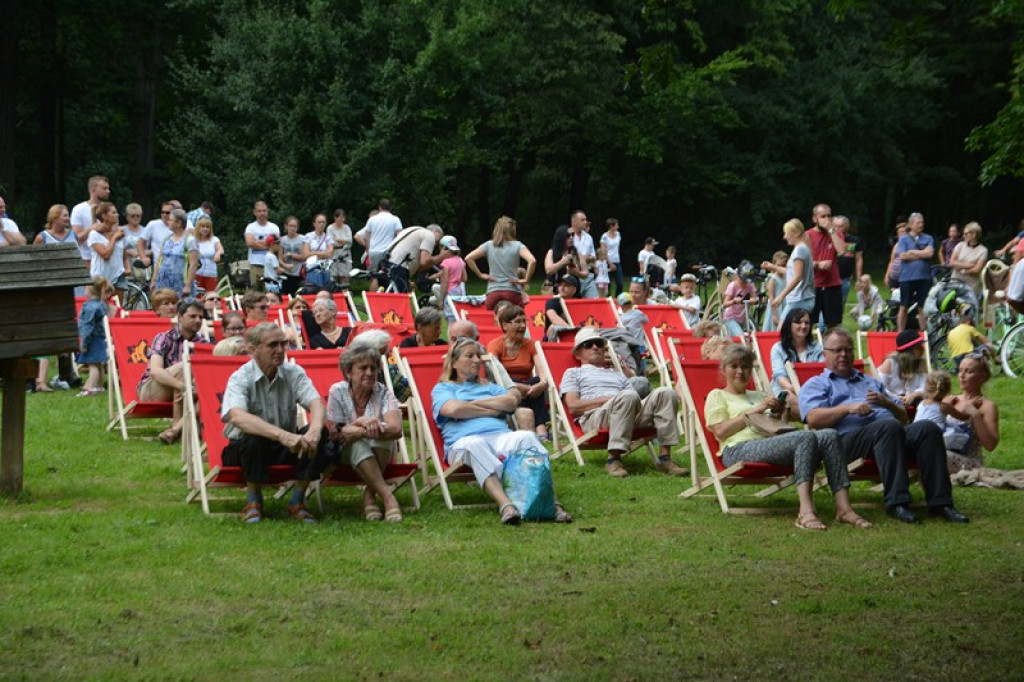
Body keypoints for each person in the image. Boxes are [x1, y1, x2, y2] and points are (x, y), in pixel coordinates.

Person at [800, 327, 968, 524]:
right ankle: (897, 502)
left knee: (927, 428)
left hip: (890, 436)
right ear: (824, 354)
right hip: (846, 443)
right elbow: (813, 418)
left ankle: (941, 503)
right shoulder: (817, 384)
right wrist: (847, 408)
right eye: (837, 350)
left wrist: (886, 402)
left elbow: (904, 418)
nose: (844, 355)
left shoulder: (869, 380)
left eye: (848, 350)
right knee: (887, 427)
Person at [705, 345, 870, 530]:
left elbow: (773, 426)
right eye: (733, 366)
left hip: (770, 443)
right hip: (739, 449)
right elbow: (720, 431)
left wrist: (778, 412)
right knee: (804, 438)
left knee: (830, 435)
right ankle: (805, 512)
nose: (740, 372)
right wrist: (754, 411)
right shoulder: (717, 395)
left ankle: (844, 509)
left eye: (745, 367)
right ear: (723, 369)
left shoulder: (759, 395)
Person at [431, 337, 572, 524]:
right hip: (462, 442)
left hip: (500, 437)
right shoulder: (443, 388)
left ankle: (551, 503)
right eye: (470, 356)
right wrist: (492, 409)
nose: (477, 360)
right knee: (475, 444)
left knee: (527, 437)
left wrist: (470, 405)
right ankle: (506, 505)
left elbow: (511, 401)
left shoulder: (489, 387)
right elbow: (453, 409)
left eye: (478, 356)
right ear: (454, 362)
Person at [221, 323, 334, 523]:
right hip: (243, 451)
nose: (281, 350)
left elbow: (316, 403)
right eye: (273, 345)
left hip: (284, 447)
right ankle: (253, 501)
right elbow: (237, 417)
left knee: (320, 434)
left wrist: (314, 431)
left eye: (284, 343)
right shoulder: (240, 378)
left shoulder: (293, 372)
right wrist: (283, 435)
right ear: (253, 349)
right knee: (252, 438)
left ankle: (297, 500)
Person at [561, 327, 686, 478]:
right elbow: (573, 406)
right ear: (577, 353)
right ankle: (613, 459)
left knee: (666, 393)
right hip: (595, 417)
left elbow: (635, 398)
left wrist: (624, 370)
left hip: (626, 408)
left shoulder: (616, 374)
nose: (595, 347)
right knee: (626, 396)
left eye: (599, 344)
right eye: (588, 344)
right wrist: (610, 400)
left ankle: (665, 459)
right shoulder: (573, 373)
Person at [326, 343, 406, 522]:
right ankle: (388, 497)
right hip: (345, 453)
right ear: (349, 372)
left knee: (380, 436)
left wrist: (360, 431)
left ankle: (370, 496)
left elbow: (396, 429)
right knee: (360, 443)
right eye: (363, 368)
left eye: (373, 368)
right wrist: (361, 424)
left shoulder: (384, 393)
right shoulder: (337, 391)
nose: (370, 373)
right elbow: (334, 432)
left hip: (380, 449)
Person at [136, 300, 211, 445]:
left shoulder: (202, 344)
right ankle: (181, 427)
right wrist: (183, 386)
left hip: (185, 391)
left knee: (205, 392)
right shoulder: (164, 338)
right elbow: (155, 371)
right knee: (185, 365)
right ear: (180, 317)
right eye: (193, 316)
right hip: (151, 391)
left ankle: (175, 430)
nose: (198, 320)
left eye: (201, 317)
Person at [942, 355, 1022, 488]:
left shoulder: (987, 406)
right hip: (944, 449)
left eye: (968, 371)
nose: (961, 375)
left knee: (937, 453)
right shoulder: (950, 400)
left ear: (982, 376)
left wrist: (975, 414)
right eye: (960, 370)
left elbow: (991, 445)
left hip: (969, 461)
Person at [486, 304, 550, 440]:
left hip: (530, 389)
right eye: (517, 322)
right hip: (507, 387)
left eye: (524, 321)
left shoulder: (530, 344)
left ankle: (539, 427)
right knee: (520, 384)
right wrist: (524, 388)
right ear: (504, 325)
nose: (522, 326)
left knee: (537, 381)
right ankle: (541, 429)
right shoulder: (495, 345)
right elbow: (496, 374)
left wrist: (543, 383)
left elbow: (541, 367)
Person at [464, 215, 536, 310]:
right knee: (516, 317)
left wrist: (480, 275)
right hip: (512, 291)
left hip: (493, 292)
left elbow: (468, 258)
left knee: (491, 321)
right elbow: (532, 261)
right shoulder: (518, 246)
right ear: (512, 229)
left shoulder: (488, 245)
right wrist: (525, 280)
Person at [763, 218, 813, 321]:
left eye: (786, 233)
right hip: (801, 298)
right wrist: (773, 267)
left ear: (794, 233)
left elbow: (798, 276)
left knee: (782, 332)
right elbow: (792, 272)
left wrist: (781, 296)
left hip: (799, 298)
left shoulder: (800, 250)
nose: (784, 237)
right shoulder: (801, 249)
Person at [769, 307, 823, 401]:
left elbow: (822, 373)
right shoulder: (778, 349)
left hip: (813, 392)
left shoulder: (817, 348)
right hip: (787, 392)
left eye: (807, 323)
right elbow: (779, 375)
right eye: (798, 322)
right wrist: (796, 391)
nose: (803, 326)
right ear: (789, 325)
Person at [807, 203, 845, 328]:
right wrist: (818, 264)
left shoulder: (836, 233)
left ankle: (830, 347)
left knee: (833, 324)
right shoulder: (807, 236)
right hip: (813, 285)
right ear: (815, 219)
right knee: (808, 322)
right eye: (823, 216)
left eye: (829, 216)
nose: (827, 219)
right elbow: (802, 262)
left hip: (832, 284)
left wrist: (831, 231)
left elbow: (841, 251)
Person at [76, 277, 115, 397]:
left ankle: (90, 388)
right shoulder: (101, 305)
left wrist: (84, 344)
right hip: (100, 339)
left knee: (92, 365)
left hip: (92, 339)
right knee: (98, 364)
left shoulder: (90, 307)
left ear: (89, 290)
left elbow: (87, 327)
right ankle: (99, 386)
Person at [896, 212, 934, 332]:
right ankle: (900, 333)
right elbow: (902, 256)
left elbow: (930, 253)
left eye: (922, 222)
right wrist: (922, 254)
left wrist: (912, 252)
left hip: (924, 278)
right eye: (918, 222)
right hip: (907, 278)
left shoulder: (928, 238)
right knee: (904, 307)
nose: (921, 225)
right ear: (911, 224)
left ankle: (924, 333)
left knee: (922, 307)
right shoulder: (903, 239)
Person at [384, 224, 447, 294]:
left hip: (388, 264)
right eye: (437, 241)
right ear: (435, 231)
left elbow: (421, 266)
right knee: (397, 302)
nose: (435, 244)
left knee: (386, 297)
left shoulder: (413, 230)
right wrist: (441, 257)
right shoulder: (429, 235)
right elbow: (424, 261)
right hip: (399, 268)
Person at [152, 208, 199, 298]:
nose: (168, 222)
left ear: (179, 223)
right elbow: (159, 261)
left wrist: (188, 286)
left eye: (170, 220)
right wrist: (154, 280)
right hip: (163, 286)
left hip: (181, 286)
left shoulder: (190, 241)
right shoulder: (167, 239)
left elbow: (193, 265)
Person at [876, 329, 928, 406]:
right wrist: (895, 397)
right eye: (918, 347)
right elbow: (878, 387)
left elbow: (925, 386)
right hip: (890, 400)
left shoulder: (921, 361)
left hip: (914, 399)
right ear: (908, 351)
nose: (922, 349)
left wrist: (913, 395)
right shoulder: (890, 363)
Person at [70, 175, 110, 270]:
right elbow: (76, 240)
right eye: (104, 188)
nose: (108, 191)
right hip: (87, 260)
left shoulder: (109, 209)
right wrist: (91, 229)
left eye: (108, 188)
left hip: (106, 258)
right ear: (93, 190)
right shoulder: (79, 209)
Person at [356, 198, 403, 278]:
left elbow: (367, 236)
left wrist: (368, 248)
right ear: (390, 208)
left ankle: (373, 290)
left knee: (374, 276)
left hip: (373, 251)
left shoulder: (372, 219)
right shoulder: (395, 219)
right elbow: (399, 236)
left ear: (379, 207)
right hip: (388, 252)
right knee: (388, 275)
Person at [86, 202, 127, 286]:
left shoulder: (120, 232)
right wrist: (114, 237)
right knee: (101, 300)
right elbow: (106, 255)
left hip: (118, 277)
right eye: (114, 212)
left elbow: (123, 254)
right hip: (100, 278)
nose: (118, 215)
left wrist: (127, 269)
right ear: (104, 216)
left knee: (117, 300)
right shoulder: (95, 234)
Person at [948, 221, 987, 305]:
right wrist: (969, 265)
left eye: (966, 234)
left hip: (972, 286)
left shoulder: (983, 250)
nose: (963, 236)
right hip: (955, 282)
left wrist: (962, 269)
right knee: (953, 308)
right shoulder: (960, 245)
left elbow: (977, 269)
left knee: (969, 310)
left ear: (974, 234)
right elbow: (952, 262)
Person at [243, 200, 281, 286]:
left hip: (271, 264)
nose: (262, 213)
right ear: (254, 212)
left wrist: (256, 242)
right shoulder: (250, 227)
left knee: (271, 290)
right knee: (257, 291)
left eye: (264, 211)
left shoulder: (274, 227)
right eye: (259, 211)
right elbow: (249, 243)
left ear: (267, 212)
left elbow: (276, 244)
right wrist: (267, 244)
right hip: (255, 264)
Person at [274, 216, 309, 296]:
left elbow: (304, 256)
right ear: (286, 226)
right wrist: (284, 265)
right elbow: (280, 258)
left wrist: (291, 255)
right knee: (287, 295)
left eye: (294, 226)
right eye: (290, 226)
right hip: (287, 273)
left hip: (299, 272)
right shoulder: (283, 240)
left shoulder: (303, 239)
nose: (292, 228)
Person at [138, 201, 176, 274]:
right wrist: (144, 258)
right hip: (158, 269)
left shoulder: (179, 226)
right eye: (162, 212)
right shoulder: (153, 224)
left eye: (167, 212)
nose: (164, 214)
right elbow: (140, 243)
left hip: (176, 269)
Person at [435, 235, 467, 319]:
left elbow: (445, 283)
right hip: (458, 290)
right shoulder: (460, 260)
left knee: (450, 318)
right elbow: (464, 278)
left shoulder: (446, 262)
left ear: (444, 248)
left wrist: (441, 300)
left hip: (450, 291)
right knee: (458, 315)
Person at [833, 215, 862, 305]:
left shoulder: (854, 240)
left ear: (847, 226)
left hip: (845, 279)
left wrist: (858, 279)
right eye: (835, 226)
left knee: (840, 306)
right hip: (829, 278)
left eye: (840, 226)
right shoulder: (828, 239)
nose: (837, 228)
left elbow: (859, 259)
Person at [568, 210, 598, 298]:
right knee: (573, 305)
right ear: (574, 221)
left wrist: (584, 259)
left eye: (586, 219)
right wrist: (583, 258)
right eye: (582, 220)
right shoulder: (566, 236)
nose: (585, 222)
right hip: (573, 276)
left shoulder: (589, 237)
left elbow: (594, 256)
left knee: (594, 303)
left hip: (588, 275)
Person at [721, 267, 757, 337]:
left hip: (743, 317)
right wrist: (734, 301)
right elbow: (725, 303)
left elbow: (754, 297)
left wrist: (753, 300)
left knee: (747, 337)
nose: (746, 283)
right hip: (730, 317)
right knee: (741, 336)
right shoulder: (733, 286)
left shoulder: (750, 285)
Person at [193, 217, 224, 294]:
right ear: (198, 228)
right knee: (197, 297)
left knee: (211, 296)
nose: (205, 229)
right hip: (197, 274)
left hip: (211, 274)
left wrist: (218, 253)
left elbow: (221, 250)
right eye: (203, 227)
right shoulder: (193, 240)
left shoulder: (214, 239)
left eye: (208, 227)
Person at [760, 251, 787, 331]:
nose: (781, 267)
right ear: (774, 265)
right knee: (773, 328)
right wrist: (774, 315)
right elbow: (771, 298)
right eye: (778, 265)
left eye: (783, 265)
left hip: (784, 305)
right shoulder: (773, 279)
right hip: (776, 308)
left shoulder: (786, 277)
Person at [121, 203, 148, 279]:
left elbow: (152, 249)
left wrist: (142, 253)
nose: (136, 218)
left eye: (138, 216)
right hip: (126, 268)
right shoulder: (121, 230)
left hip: (143, 270)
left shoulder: (146, 230)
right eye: (133, 216)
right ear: (127, 217)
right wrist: (129, 252)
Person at [327, 208, 353, 286]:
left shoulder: (347, 228)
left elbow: (350, 241)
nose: (342, 219)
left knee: (345, 276)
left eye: (343, 218)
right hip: (334, 252)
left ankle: (345, 293)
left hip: (345, 252)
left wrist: (339, 239)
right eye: (340, 217)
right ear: (335, 217)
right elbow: (332, 242)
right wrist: (343, 241)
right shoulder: (330, 228)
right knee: (334, 275)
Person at [600, 218, 624, 296]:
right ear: (611, 226)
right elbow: (603, 251)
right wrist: (610, 263)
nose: (618, 227)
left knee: (620, 284)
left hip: (617, 261)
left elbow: (617, 248)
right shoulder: (604, 236)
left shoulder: (618, 234)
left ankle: (617, 300)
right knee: (608, 284)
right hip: (607, 262)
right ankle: (608, 300)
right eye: (616, 225)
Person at [884, 222, 908, 290]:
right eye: (899, 232)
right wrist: (887, 275)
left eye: (903, 232)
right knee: (894, 297)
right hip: (894, 277)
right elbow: (891, 261)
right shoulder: (896, 245)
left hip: (905, 277)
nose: (901, 234)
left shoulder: (910, 244)